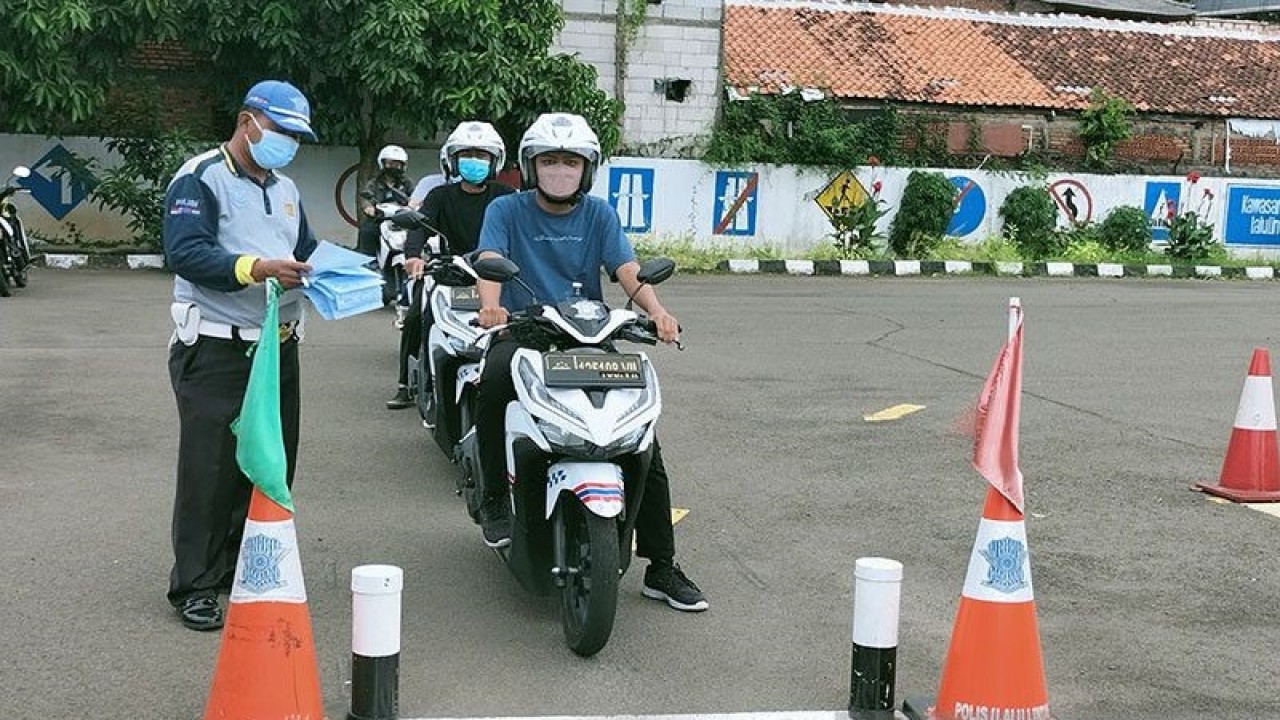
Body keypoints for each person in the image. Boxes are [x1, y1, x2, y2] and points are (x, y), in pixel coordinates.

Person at [473, 112, 708, 612]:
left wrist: (660, 314)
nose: (560, 169)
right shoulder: (506, 210)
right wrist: (490, 306)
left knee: (642, 440)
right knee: (493, 378)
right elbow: (490, 260)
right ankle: (495, 495)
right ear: (531, 165)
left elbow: (626, 270)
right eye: (550, 160)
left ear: (588, 168)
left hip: (586, 336)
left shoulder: (599, 214)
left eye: (571, 161)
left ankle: (661, 567)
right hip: (524, 330)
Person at [162, 79, 318, 631]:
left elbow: (304, 251)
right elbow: (185, 253)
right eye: (281, 131)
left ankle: (241, 566)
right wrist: (257, 268)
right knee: (211, 469)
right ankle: (196, 585)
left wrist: (344, 271)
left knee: (271, 464)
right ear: (247, 120)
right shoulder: (202, 177)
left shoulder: (286, 188)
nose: (289, 144)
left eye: (297, 136)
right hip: (216, 346)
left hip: (278, 349)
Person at [387, 121, 515, 410]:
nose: (474, 161)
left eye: (482, 155)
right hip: (451, 272)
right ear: (453, 160)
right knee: (417, 317)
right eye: (467, 154)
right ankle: (406, 384)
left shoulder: (506, 197)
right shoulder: (440, 196)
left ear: (495, 161)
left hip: (497, 273)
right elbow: (419, 227)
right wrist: (414, 256)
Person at [356, 144, 413, 256]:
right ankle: (369, 261)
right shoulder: (374, 182)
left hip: (402, 219)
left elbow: (414, 197)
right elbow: (366, 197)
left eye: (397, 164)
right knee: (367, 231)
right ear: (383, 164)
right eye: (390, 163)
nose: (394, 167)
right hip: (380, 219)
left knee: (417, 234)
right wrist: (369, 207)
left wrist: (413, 204)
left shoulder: (407, 183)